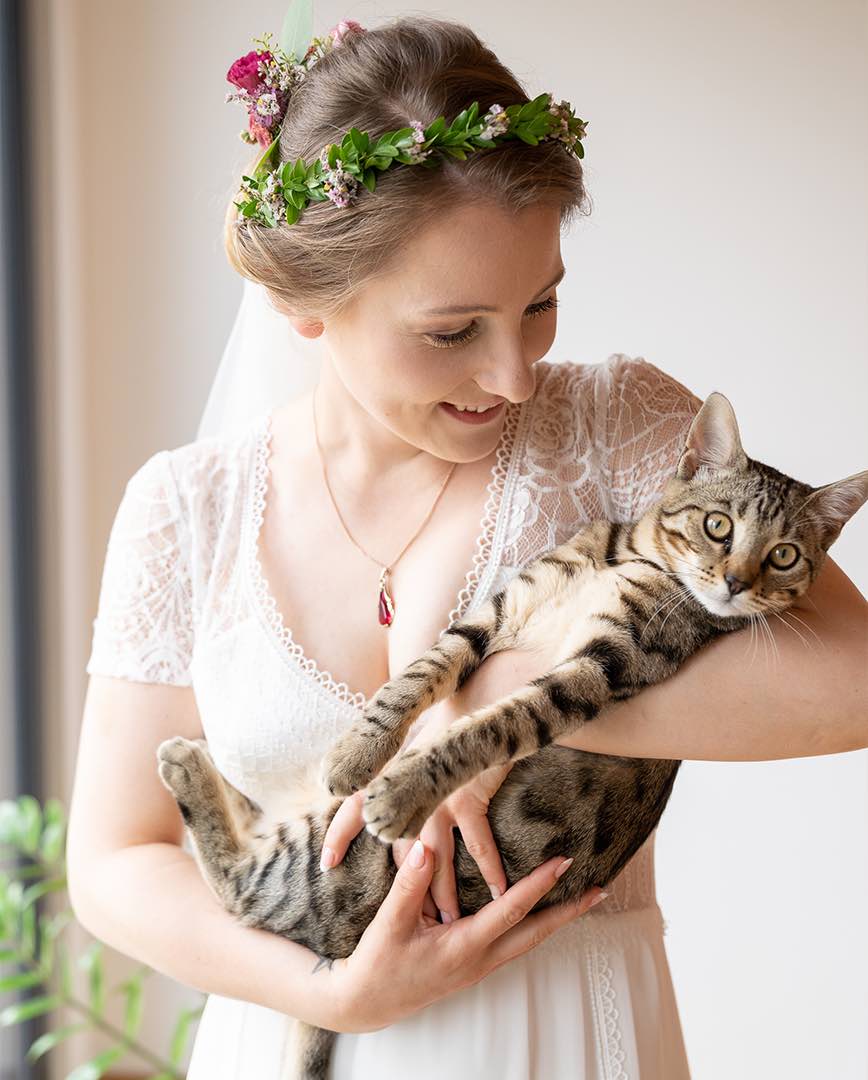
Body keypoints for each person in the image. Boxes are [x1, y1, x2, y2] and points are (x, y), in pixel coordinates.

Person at [66, 15, 867, 1080]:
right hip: (282, 1044)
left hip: (567, 1042)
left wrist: (502, 690)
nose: (515, 376)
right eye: (453, 332)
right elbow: (115, 858)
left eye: (540, 305)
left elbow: (852, 684)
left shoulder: (614, 421)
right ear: (304, 302)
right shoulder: (184, 505)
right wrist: (331, 995)